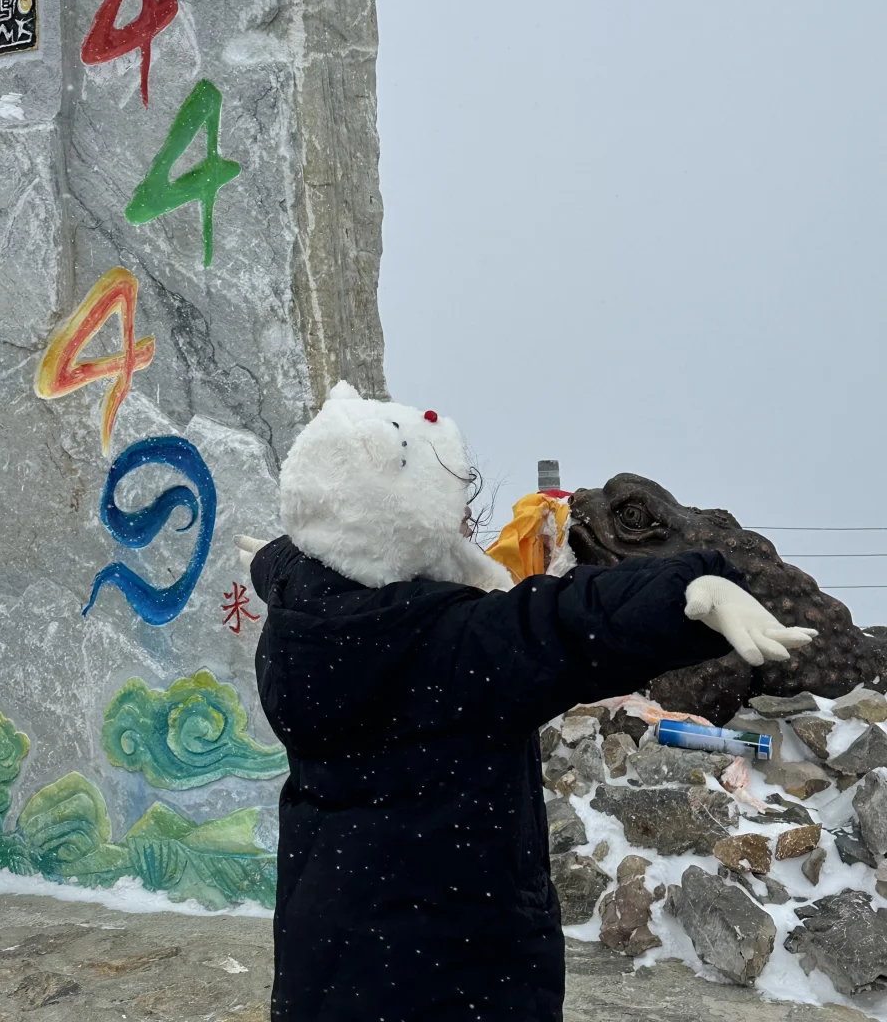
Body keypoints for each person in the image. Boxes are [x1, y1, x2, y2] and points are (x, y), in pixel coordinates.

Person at [238, 383, 815, 1022]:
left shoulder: (300, 625)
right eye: (450, 504)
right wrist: (687, 590)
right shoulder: (450, 643)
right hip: (458, 972)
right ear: (396, 518)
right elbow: (566, 621)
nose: (463, 521)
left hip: (329, 959)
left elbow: (291, 558)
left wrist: (280, 561)